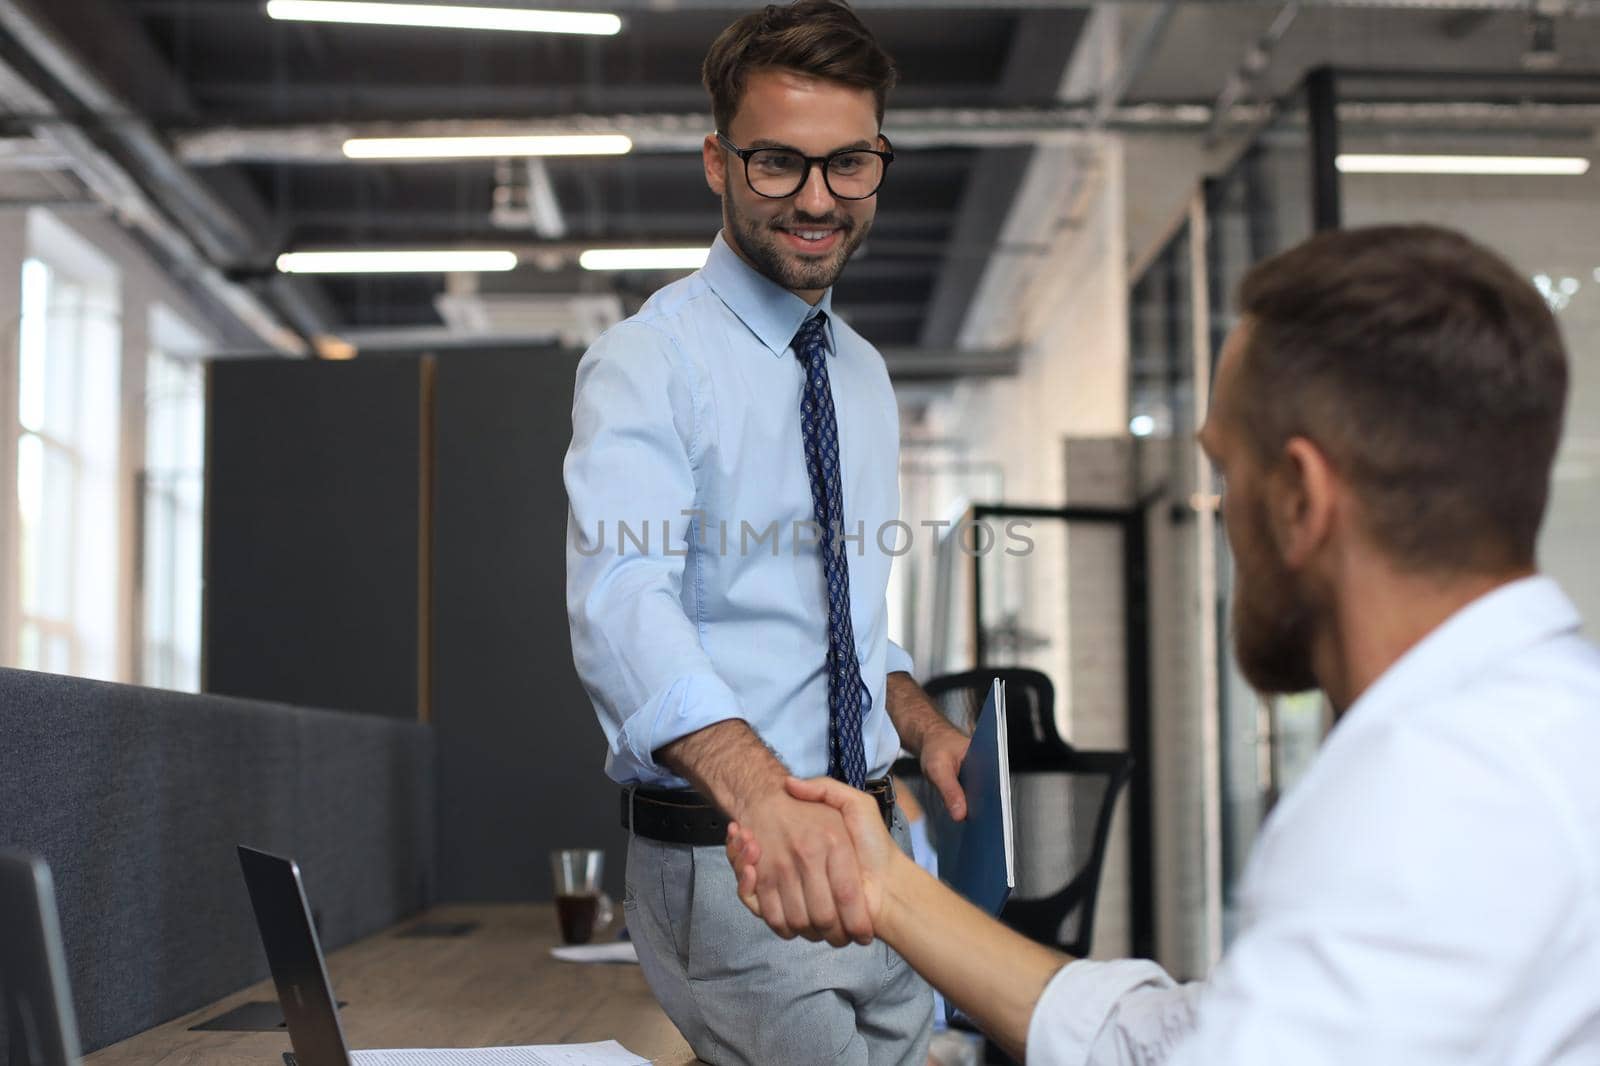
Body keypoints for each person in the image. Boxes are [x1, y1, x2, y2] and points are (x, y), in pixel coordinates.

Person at [728, 224, 1600, 1065]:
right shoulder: (1531, 735)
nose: (1220, 526)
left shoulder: (1436, 791)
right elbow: (1180, 1041)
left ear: (1300, 497)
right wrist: (888, 889)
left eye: (1227, 477)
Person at [564, 3, 970, 1063]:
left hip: (881, 853)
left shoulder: (864, 377)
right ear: (717, 160)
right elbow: (621, 603)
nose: (817, 200)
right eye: (778, 163)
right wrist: (763, 800)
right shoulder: (650, 361)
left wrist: (922, 726)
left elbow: (844, 626)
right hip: (738, 859)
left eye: (850, 165)